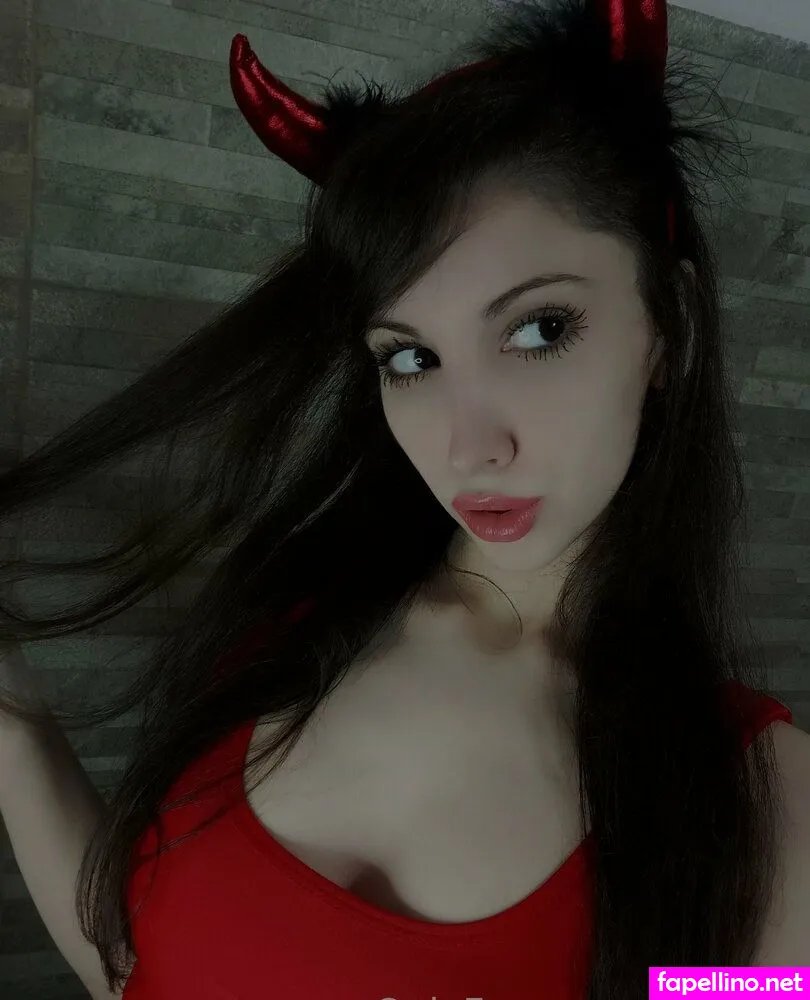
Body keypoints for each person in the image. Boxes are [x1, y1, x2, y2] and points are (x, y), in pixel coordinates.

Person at [0, 0, 808, 997]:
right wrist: (14, 724)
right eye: (412, 357)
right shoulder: (285, 630)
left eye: (539, 330)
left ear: (669, 327)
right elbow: (133, 970)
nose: (469, 445)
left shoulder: (766, 806)